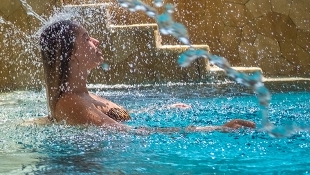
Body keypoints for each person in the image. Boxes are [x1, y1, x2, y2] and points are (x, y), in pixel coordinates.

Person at [38, 19, 256, 132]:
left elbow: (116, 119)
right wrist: (214, 129)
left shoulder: (84, 96)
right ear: (72, 55)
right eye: (86, 38)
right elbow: (126, 132)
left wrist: (160, 110)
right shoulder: (71, 103)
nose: (96, 41)